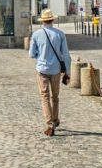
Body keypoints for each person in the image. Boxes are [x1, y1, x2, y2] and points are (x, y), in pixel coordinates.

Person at [28, 9, 71, 137]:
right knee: (55, 97)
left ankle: (50, 124)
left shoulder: (36, 34)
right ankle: (56, 120)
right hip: (56, 70)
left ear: (43, 21)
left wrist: (40, 55)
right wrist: (67, 73)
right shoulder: (60, 34)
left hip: (42, 69)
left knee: (45, 97)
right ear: (52, 20)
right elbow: (66, 55)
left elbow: (31, 54)